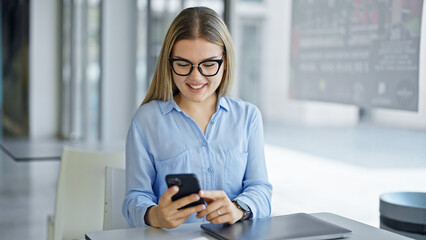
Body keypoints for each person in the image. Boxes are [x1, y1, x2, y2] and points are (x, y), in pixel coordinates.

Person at [122, 6, 272, 229]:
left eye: (209, 64)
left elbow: (260, 188)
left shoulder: (247, 117)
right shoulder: (146, 121)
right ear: (169, 63)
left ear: (225, 62)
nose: (196, 77)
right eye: (183, 64)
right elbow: (135, 198)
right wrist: (155, 215)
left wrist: (238, 208)